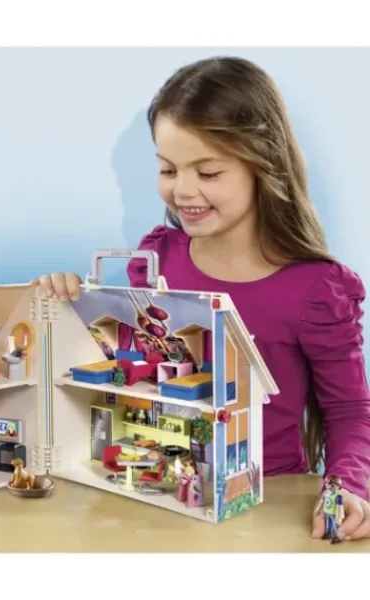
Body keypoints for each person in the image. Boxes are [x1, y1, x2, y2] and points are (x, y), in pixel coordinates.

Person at [33, 56, 370, 540]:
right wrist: (69, 307)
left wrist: (346, 487)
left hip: (265, 506)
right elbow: (125, 365)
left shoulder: (316, 289)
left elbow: (350, 412)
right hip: (158, 494)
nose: (183, 190)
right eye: (168, 169)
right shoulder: (156, 259)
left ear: (263, 166)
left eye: (208, 172)